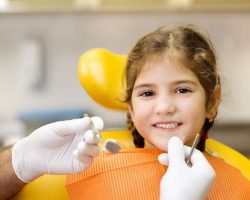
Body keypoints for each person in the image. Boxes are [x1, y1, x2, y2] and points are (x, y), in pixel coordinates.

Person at [1, 25, 249, 200]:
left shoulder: (240, 183)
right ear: (130, 106)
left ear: (212, 101)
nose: (164, 107)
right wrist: (20, 161)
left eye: (182, 90)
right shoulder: (88, 167)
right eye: (147, 93)